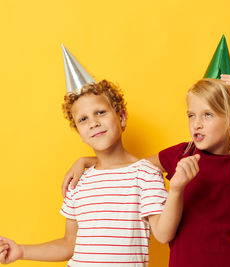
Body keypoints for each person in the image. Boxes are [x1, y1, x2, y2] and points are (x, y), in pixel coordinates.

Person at [61, 61, 230, 267]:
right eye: (191, 115)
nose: (197, 124)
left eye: (207, 115)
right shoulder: (181, 154)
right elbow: (129, 166)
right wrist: (87, 160)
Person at [0, 80, 199, 266]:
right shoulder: (78, 182)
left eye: (100, 112)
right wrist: (21, 251)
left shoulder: (146, 174)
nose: (93, 123)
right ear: (79, 132)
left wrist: (175, 191)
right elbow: (69, 244)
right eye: (83, 119)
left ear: (121, 117)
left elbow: (163, 235)